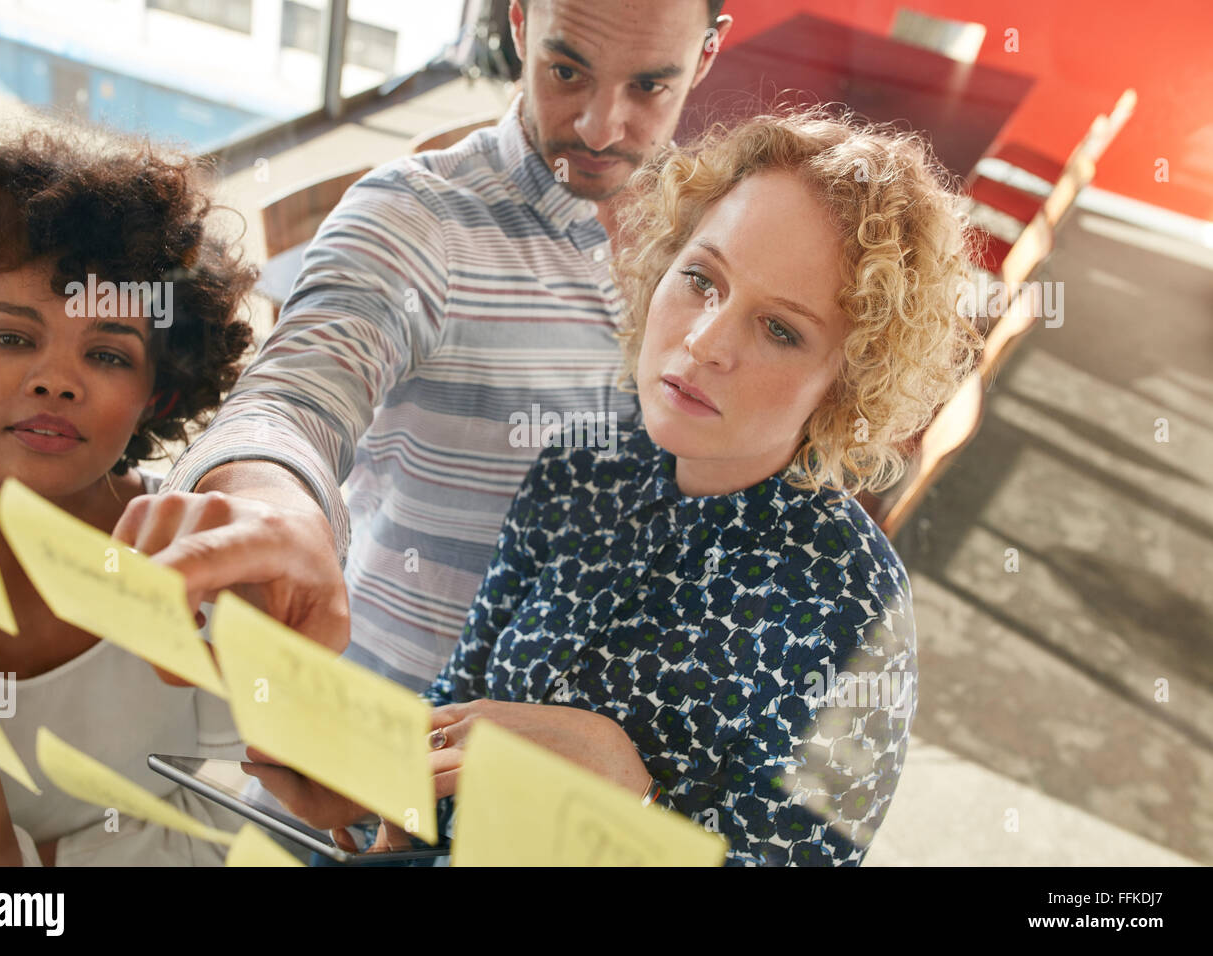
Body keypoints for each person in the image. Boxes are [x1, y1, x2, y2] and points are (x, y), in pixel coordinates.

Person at [247, 108, 984, 865]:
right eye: (702, 278)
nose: (705, 342)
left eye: (781, 330)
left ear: (847, 381)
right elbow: (455, 706)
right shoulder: (582, 466)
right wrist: (377, 788)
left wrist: (632, 798)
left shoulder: (853, 608)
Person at [115, 0, 734, 690]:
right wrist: (274, 506)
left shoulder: (723, 233)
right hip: (381, 735)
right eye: (566, 70)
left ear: (706, 54)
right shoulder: (418, 215)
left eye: (648, 86)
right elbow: (296, 395)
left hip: (596, 753)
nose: (599, 125)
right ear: (520, 25)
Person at [0, 125, 258, 865]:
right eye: (10, 338)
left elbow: (242, 821)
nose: (55, 381)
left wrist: (32, 853)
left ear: (157, 396)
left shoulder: (202, 560)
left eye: (106, 354)